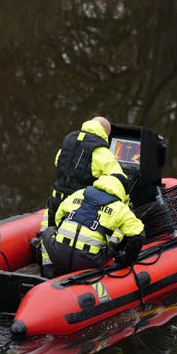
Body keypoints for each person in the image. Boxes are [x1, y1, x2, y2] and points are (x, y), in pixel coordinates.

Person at [38, 116, 125, 276]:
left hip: (56, 199)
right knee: (72, 240)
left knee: (49, 233)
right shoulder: (100, 151)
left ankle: (48, 273)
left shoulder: (69, 141)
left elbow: (58, 162)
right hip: (76, 205)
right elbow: (118, 178)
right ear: (106, 133)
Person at [41, 173, 144, 276]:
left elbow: (58, 216)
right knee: (117, 233)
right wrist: (126, 260)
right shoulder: (121, 208)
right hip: (89, 262)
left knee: (48, 231)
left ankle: (49, 268)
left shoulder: (79, 193)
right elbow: (138, 235)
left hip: (58, 255)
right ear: (123, 192)